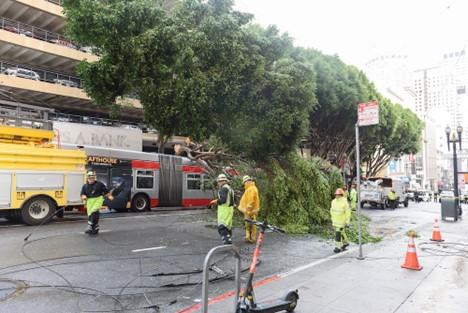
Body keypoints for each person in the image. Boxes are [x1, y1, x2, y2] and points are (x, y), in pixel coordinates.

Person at [80, 171, 110, 235]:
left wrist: (110, 196)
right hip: (89, 202)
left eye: (93, 178)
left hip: (98, 199)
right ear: (87, 178)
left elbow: (106, 191)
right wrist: (84, 197)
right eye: (90, 178)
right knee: (91, 214)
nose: (91, 179)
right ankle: (95, 228)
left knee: (94, 211)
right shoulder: (85, 186)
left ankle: (89, 226)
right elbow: (82, 194)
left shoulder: (99, 184)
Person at [210, 174, 235, 244]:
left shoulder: (224, 188)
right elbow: (233, 200)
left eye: (219, 182)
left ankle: (228, 244)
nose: (218, 183)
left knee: (222, 228)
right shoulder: (230, 188)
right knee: (227, 228)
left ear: (222, 181)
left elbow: (222, 200)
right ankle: (229, 241)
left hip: (224, 211)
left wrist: (215, 201)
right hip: (230, 210)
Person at [238, 175, 260, 243]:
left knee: (250, 225)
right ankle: (249, 237)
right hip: (249, 211)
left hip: (250, 211)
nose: (244, 183)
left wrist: (248, 210)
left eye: (244, 182)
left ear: (247, 181)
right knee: (249, 224)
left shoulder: (251, 189)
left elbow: (250, 201)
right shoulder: (250, 188)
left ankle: (251, 238)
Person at [330, 188, 351, 253]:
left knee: (338, 234)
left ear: (341, 195)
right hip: (335, 221)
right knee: (342, 232)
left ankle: (337, 247)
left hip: (342, 221)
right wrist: (332, 220)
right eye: (336, 194)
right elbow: (332, 211)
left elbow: (347, 212)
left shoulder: (344, 202)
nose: (337, 196)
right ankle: (346, 243)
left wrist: (347, 222)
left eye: (338, 194)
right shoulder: (333, 201)